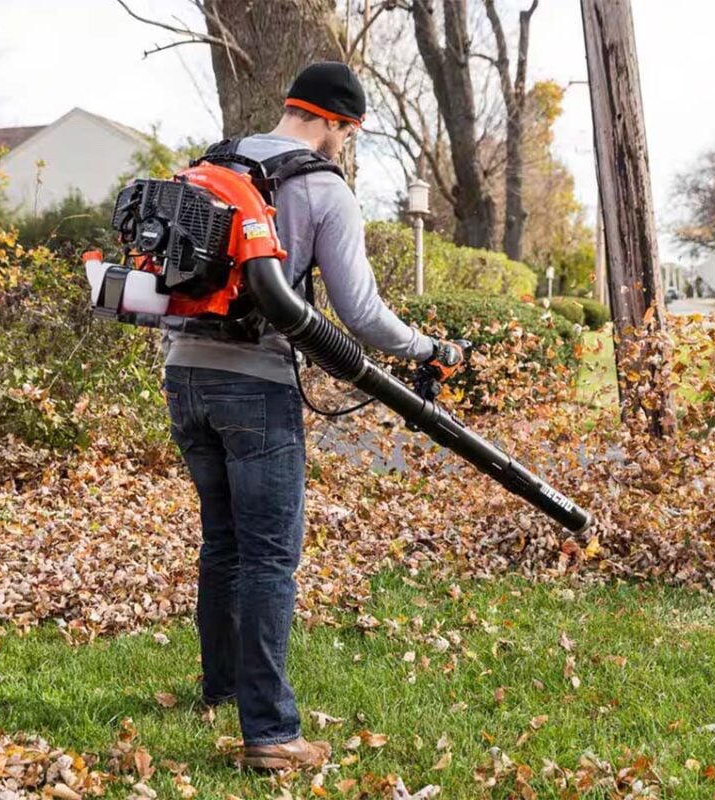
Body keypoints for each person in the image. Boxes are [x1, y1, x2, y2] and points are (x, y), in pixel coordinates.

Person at [161, 61, 465, 770]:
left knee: (223, 542)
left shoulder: (214, 162)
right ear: (335, 123)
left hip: (183, 378)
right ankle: (269, 734)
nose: (345, 144)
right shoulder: (325, 188)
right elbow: (361, 314)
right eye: (348, 132)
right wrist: (431, 347)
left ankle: (222, 687)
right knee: (269, 556)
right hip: (255, 386)